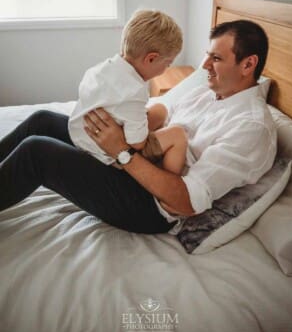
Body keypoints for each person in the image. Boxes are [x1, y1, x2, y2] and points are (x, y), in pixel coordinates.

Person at [0, 20, 277, 235]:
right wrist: (120, 119)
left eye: (215, 58)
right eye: (208, 55)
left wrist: (122, 151)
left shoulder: (251, 128)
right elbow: (162, 109)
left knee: (37, 152)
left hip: (150, 205)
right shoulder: (210, 91)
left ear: (248, 64)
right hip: (142, 159)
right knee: (43, 120)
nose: (204, 65)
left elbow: (186, 202)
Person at [68, 9, 187, 175]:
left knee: (160, 110)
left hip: (80, 136)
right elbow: (137, 143)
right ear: (151, 58)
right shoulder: (135, 91)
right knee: (177, 134)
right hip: (106, 155)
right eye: (167, 64)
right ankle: (163, 179)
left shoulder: (101, 69)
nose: (167, 69)